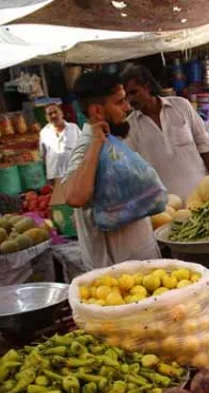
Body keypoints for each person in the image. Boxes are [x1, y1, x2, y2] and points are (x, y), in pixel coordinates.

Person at [63, 71, 160, 270]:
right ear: (98, 111)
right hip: (117, 276)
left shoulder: (114, 141)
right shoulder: (87, 148)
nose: (127, 107)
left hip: (142, 264)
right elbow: (74, 198)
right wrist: (96, 143)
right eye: (119, 102)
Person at [120, 65, 209, 201]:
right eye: (126, 95)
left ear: (147, 86)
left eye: (134, 92)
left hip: (202, 195)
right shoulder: (129, 126)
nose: (130, 100)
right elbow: (134, 170)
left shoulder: (182, 106)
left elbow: (203, 145)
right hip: (167, 205)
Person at [39, 103, 81, 183]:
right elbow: (43, 155)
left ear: (61, 113)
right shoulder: (44, 133)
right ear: (46, 117)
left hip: (74, 173)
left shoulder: (73, 128)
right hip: (55, 176)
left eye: (55, 112)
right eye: (50, 114)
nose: (53, 115)